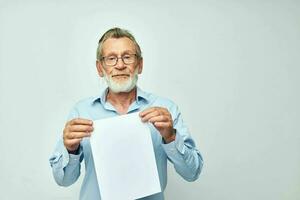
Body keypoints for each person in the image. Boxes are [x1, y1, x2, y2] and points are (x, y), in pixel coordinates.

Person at [49, 27, 204, 200]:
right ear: (100, 68)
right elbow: (63, 180)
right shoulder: (81, 111)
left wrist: (171, 137)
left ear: (140, 65)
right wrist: (70, 150)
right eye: (111, 58)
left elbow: (192, 173)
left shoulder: (165, 109)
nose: (120, 65)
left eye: (127, 57)